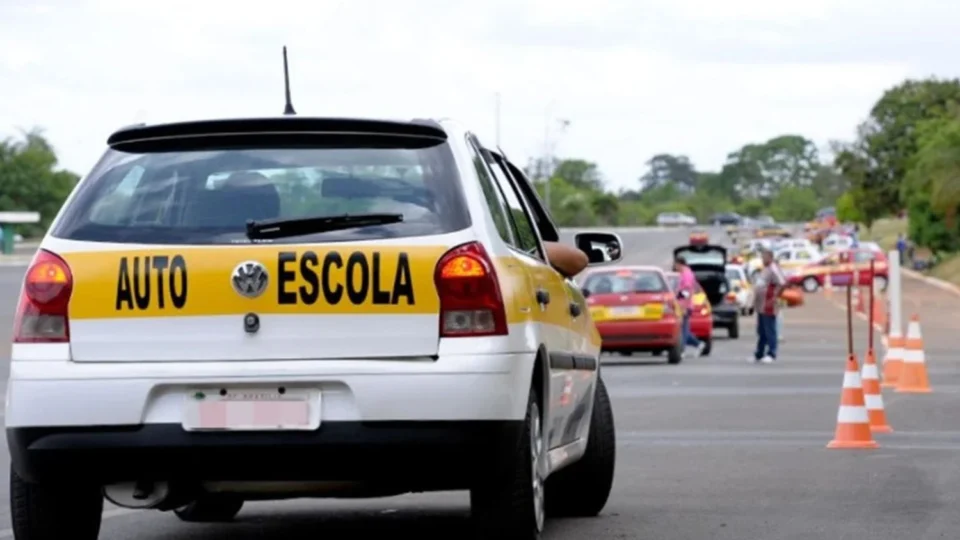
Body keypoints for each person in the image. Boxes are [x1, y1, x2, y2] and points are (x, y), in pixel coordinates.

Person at [751, 247, 786, 363]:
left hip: (768, 304)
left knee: (769, 329)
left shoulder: (773, 268)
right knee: (761, 330)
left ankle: (772, 353)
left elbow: (782, 283)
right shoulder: (765, 269)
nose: (762, 259)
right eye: (762, 257)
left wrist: (775, 297)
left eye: (764, 257)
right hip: (761, 305)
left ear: (770, 257)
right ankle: (759, 353)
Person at [673, 255, 706, 358]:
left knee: (683, 330)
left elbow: (686, 291)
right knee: (684, 329)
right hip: (683, 305)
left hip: (685, 306)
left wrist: (680, 301)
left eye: (676, 265)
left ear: (679, 264)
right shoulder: (685, 273)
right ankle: (698, 344)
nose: (675, 267)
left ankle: (682, 350)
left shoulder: (686, 274)